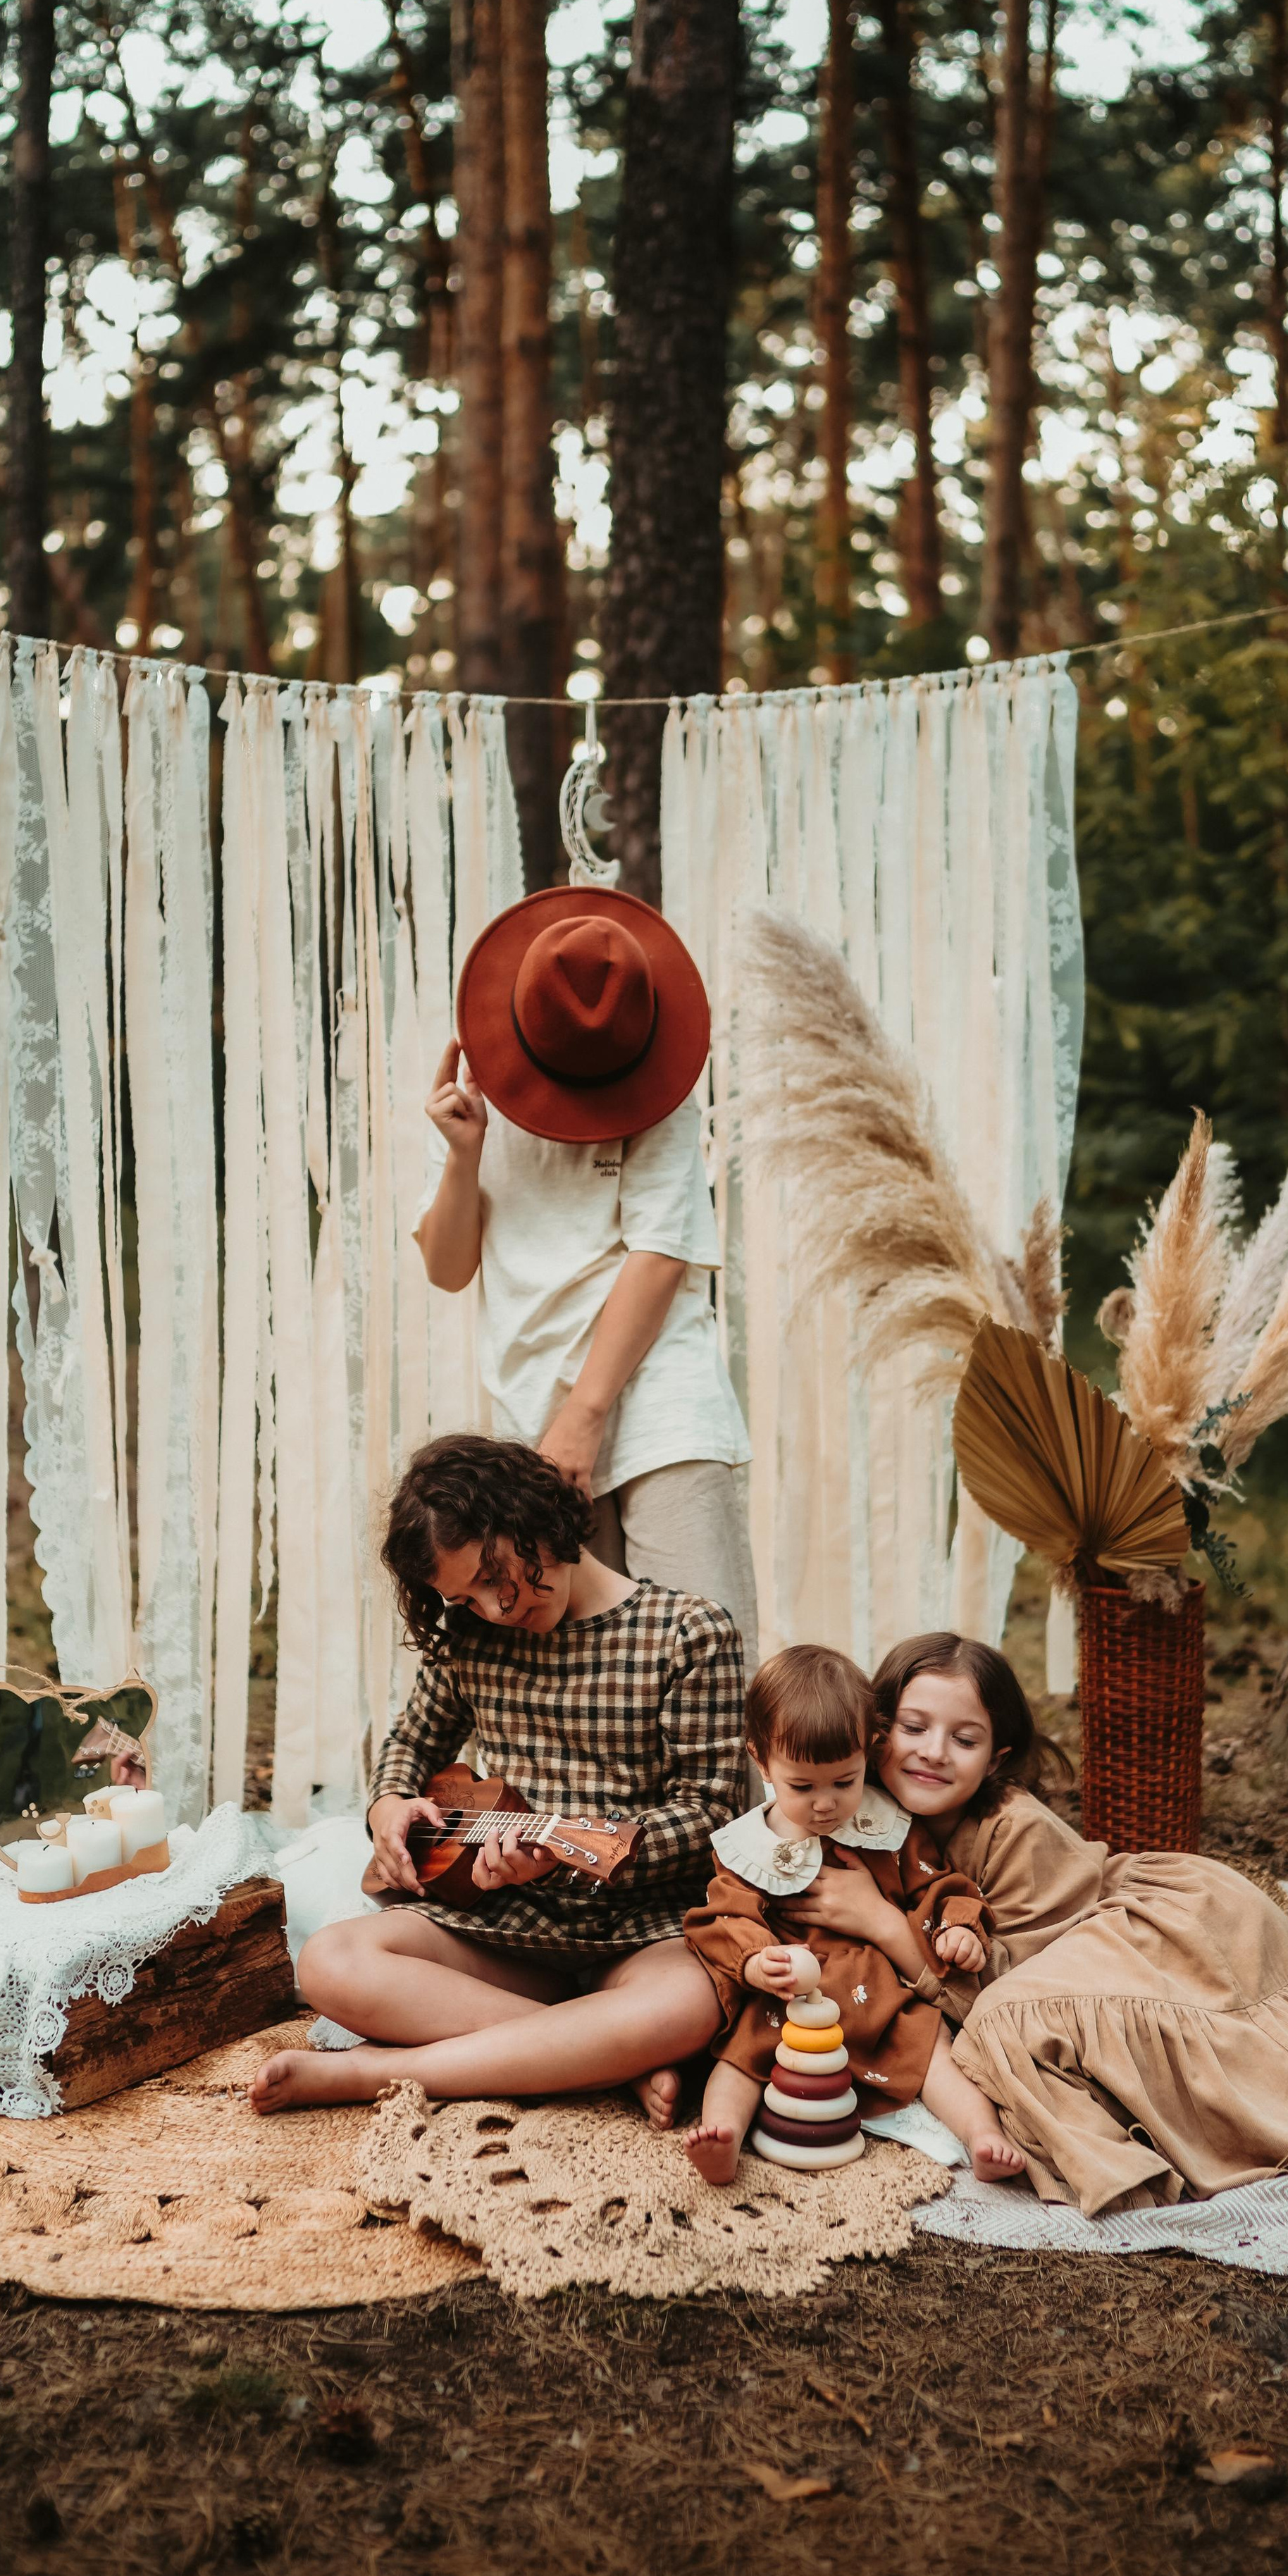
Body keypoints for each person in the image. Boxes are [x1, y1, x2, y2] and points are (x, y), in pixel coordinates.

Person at [772, 1630, 1288, 2217]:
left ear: (997, 1757)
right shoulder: (860, 1813)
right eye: (914, 1728)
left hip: (1155, 1928)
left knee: (1008, 2023)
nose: (932, 1752)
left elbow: (1022, 1980)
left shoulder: (1013, 1829)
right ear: (877, 1731)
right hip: (1071, 1961)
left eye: (964, 1738)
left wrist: (888, 1930)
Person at [249, 1435, 738, 2121]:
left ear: (531, 1515)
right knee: (330, 1962)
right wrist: (389, 1804)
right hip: (508, 1929)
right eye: (466, 1597)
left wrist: (566, 1845)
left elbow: (714, 1813)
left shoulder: (688, 1631)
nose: (495, 1608)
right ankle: (602, 2052)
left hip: (643, 1931)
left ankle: (382, 2072)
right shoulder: (468, 1638)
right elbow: (411, 1745)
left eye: (491, 1575)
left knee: (693, 2002)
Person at [415, 884, 757, 1661]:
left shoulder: (659, 1092)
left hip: (656, 1401)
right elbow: (446, 1266)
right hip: (534, 1415)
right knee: (586, 1671)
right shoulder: (482, 1086)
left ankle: (731, 1795)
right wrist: (463, 1152)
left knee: (710, 1657)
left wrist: (586, 1414)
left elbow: (660, 1252)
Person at [679, 1645, 1025, 2187]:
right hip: (790, 2000)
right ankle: (722, 2136)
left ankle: (982, 2135)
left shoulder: (886, 1826)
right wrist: (754, 1963)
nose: (825, 1804)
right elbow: (725, 1917)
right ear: (761, 1760)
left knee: (936, 2051)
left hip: (879, 1991)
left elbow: (936, 1884)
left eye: (845, 1782)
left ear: (869, 1751)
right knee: (740, 2058)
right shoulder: (749, 1845)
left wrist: (959, 1925)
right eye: (802, 1786)